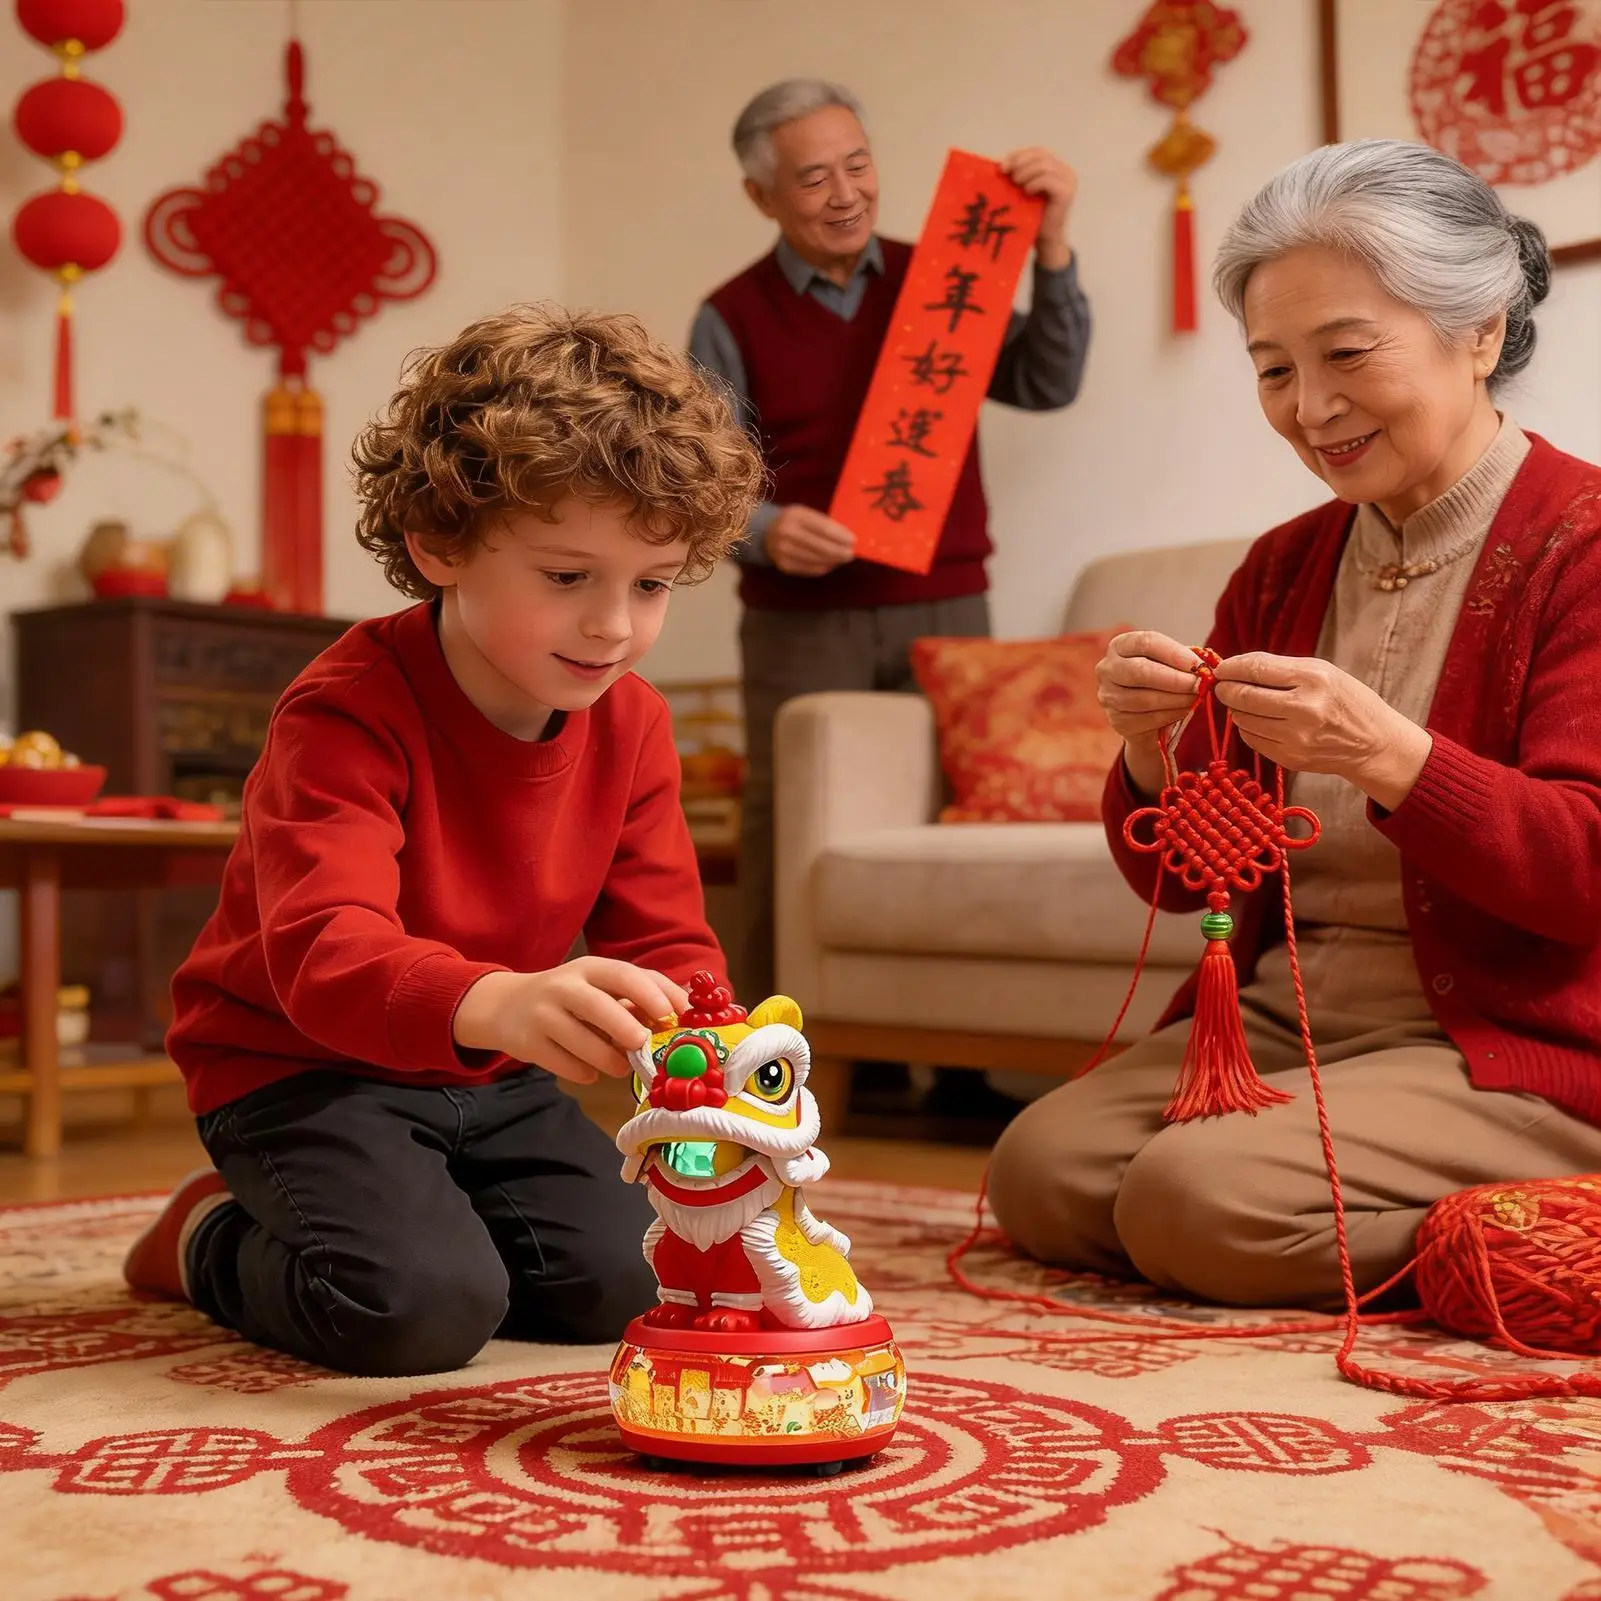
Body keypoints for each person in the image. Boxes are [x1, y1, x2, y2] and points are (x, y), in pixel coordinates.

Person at [988, 139, 1601, 1308]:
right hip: (1290, 1011)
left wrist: (1385, 754)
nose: (1308, 408)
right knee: (1042, 1174)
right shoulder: (1282, 566)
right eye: (1272, 370)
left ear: (1477, 331)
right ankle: (1429, 1214)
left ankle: (1533, 1233)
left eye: (1344, 354)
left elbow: (1579, 869)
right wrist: (1144, 751)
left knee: (1195, 1202)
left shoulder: (1577, 545)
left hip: (1506, 1037)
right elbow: (1179, 888)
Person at [122, 305, 765, 1375]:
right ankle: (202, 1232)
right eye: (568, 577)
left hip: (488, 1066)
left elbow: (666, 940)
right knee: (417, 1309)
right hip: (298, 1066)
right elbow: (324, 951)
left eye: (649, 584)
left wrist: (727, 1059)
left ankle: (430, 1199)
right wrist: (502, 999)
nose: (614, 626)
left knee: (629, 1279)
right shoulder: (343, 709)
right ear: (440, 544)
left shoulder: (634, 720)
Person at [690, 78, 1090, 1111]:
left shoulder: (943, 278)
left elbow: (1047, 382)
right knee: (794, 831)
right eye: (811, 176)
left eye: (856, 164)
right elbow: (695, 476)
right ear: (759, 196)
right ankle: (787, 1079)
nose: (843, 192)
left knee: (950, 812)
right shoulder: (727, 315)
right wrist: (770, 530)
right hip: (799, 619)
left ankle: (957, 1071)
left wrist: (1050, 252)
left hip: (945, 603)